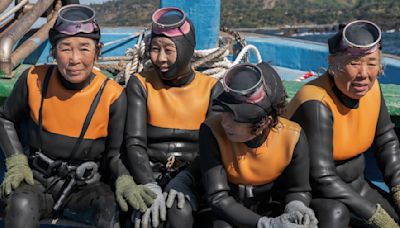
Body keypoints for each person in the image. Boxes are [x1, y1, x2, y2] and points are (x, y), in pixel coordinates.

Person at [0, 4, 155, 228]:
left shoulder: (112, 96)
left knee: (112, 210)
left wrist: (124, 180)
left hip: (86, 187)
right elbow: (5, 118)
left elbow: (115, 154)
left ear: (97, 51)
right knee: (21, 203)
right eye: (65, 49)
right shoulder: (33, 79)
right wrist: (16, 162)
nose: (74, 59)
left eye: (84, 48)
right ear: (53, 51)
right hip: (35, 180)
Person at [284, 20, 400, 228]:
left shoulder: (372, 90)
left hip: (358, 186)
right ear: (333, 63)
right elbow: (322, 177)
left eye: (372, 63)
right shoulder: (316, 103)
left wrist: (398, 186)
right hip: (313, 194)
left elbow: (385, 139)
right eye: (354, 63)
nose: (364, 74)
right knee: (338, 215)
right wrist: (374, 216)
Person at [124, 7, 223, 228]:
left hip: (192, 175)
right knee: (146, 217)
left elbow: (211, 149)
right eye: (155, 49)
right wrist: (148, 184)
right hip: (149, 172)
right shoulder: (141, 84)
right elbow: (134, 142)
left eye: (169, 50)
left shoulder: (211, 89)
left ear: (188, 48)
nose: (160, 59)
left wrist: (185, 179)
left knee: (180, 212)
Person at [199, 62, 318, 228]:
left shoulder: (292, 137)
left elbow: (298, 189)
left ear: (264, 122)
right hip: (226, 213)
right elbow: (218, 198)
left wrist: (296, 206)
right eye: (224, 110)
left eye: (236, 118)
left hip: (269, 207)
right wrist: (266, 224)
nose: (225, 122)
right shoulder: (211, 131)